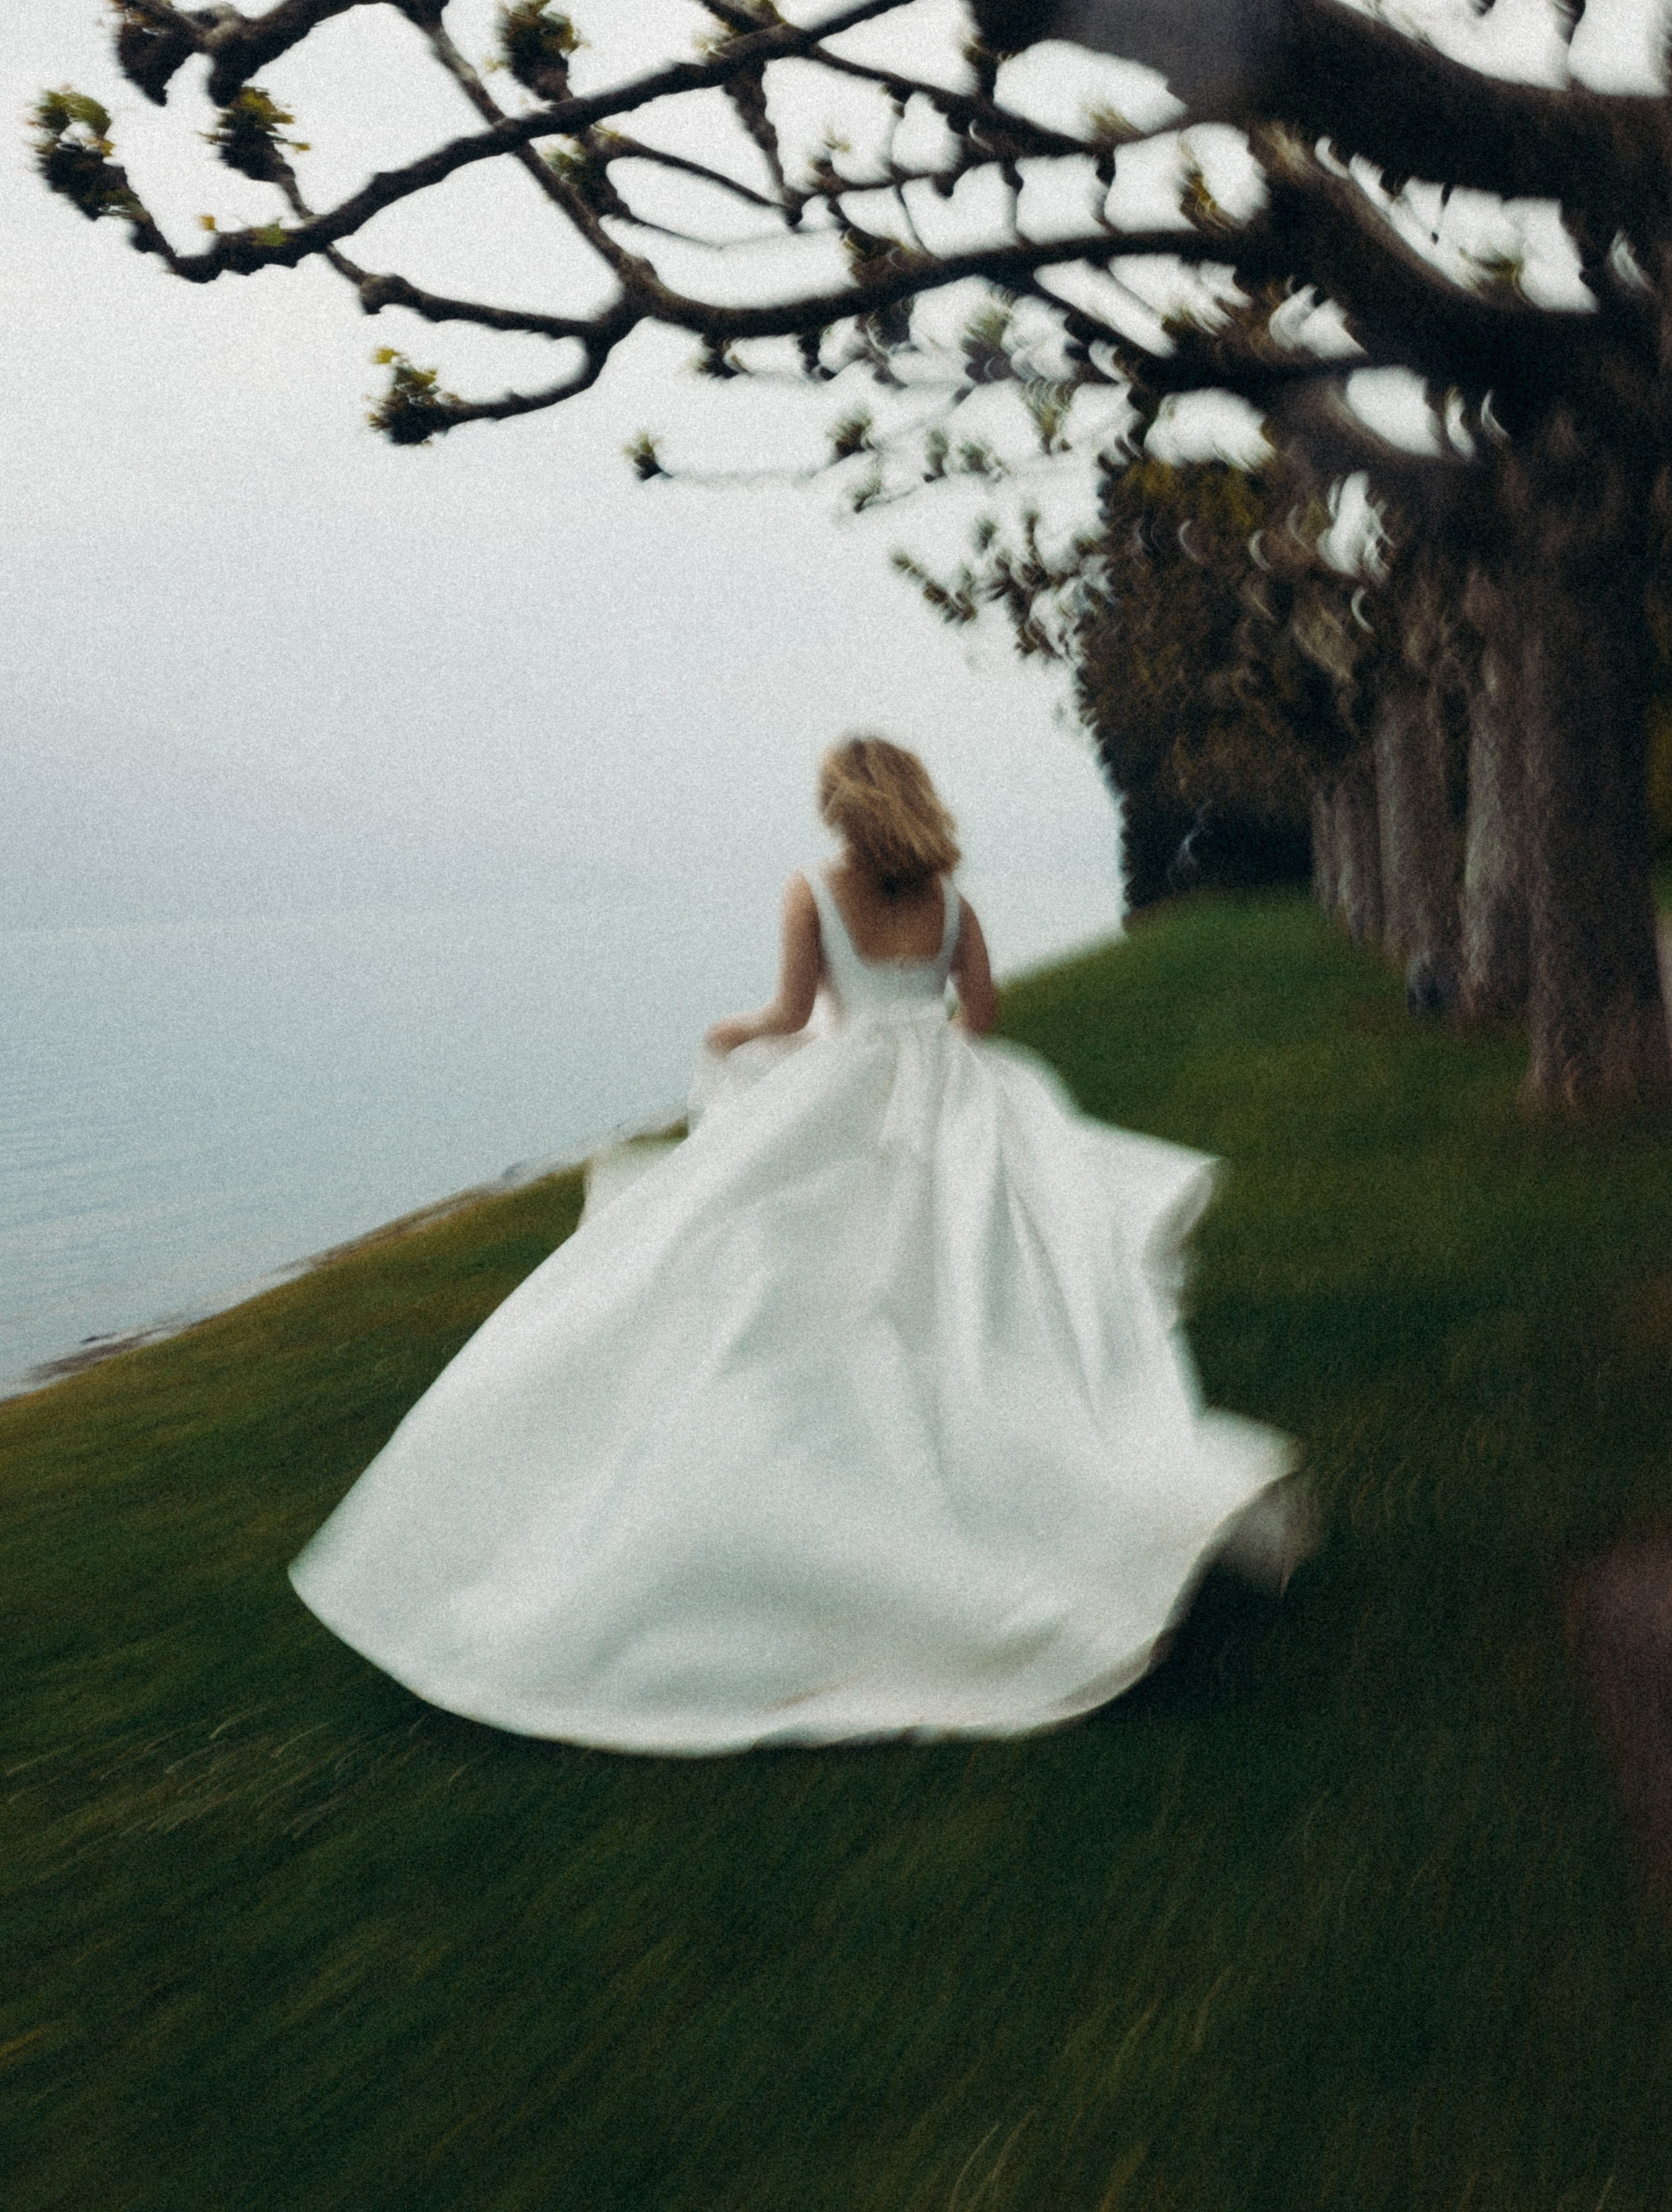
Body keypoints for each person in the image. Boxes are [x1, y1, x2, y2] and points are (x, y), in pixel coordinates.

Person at [289, 738, 1303, 1754]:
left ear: (845, 810)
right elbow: (980, 1021)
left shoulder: (813, 893)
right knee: (965, 1287)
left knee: (806, 1277)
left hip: (850, 1089)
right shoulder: (954, 905)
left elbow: (788, 1013)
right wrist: (925, 1054)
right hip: (950, 1100)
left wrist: (730, 1037)